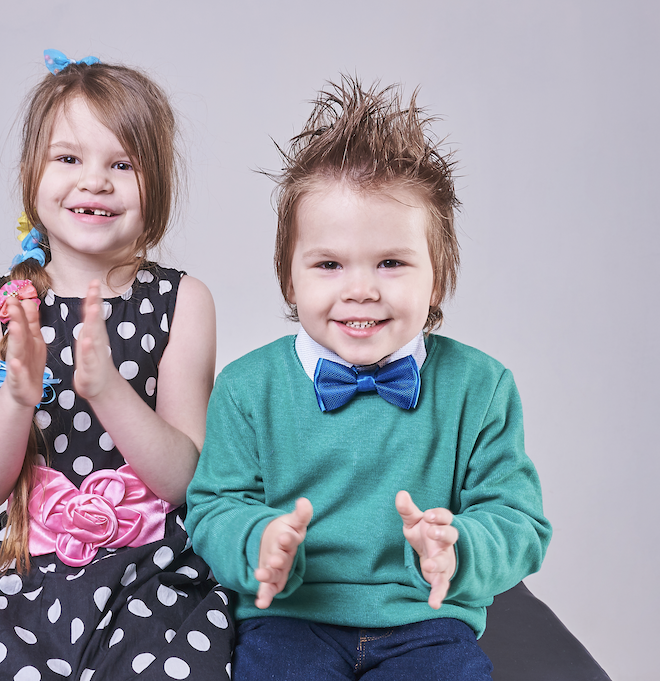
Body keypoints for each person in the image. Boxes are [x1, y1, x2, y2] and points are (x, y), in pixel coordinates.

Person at [185, 77, 552, 680]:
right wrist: (258, 543)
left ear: (438, 277)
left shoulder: (481, 387)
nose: (361, 289)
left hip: (430, 623)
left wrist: (457, 547)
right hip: (288, 618)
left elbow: (519, 520)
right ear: (289, 280)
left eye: (391, 263)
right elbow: (213, 507)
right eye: (329, 264)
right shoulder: (248, 387)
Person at [0, 50, 234, 681]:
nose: (95, 182)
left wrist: (108, 390)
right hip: (25, 567)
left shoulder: (182, 302)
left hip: (153, 570)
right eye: (69, 158)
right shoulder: (0, 307)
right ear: (33, 174)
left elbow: (186, 480)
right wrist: (16, 399)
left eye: (122, 164)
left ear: (156, 184)